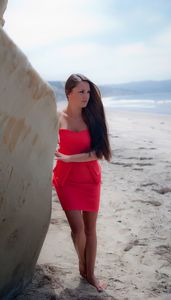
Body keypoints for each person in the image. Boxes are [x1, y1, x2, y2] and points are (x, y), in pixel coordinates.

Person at [52, 74, 111, 292]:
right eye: (81, 92)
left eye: (87, 92)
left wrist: (69, 158)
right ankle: (82, 264)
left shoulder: (93, 118)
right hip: (65, 179)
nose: (86, 96)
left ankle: (91, 274)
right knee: (78, 230)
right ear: (69, 93)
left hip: (89, 178)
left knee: (90, 230)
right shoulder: (57, 118)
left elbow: (99, 152)